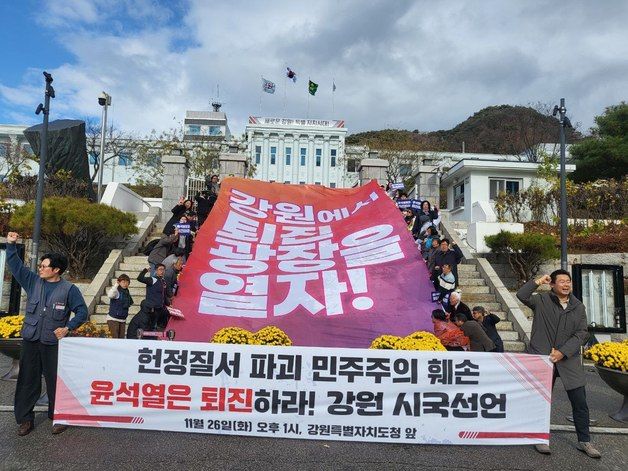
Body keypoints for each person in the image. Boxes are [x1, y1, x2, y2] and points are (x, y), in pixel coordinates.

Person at [5, 232, 88, 436]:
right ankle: (25, 419)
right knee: (27, 380)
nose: (40, 268)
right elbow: (16, 266)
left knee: (55, 381)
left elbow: (82, 311)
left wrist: (68, 327)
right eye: (40, 265)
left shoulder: (69, 289)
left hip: (53, 343)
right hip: (31, 340)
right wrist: (10, 244)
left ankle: (57, 416)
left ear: (56, 270)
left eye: (44, 266)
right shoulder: (33, 281)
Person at [517, 270, 601, 458]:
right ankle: (540, 438)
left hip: (568, 359)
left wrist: (563, 351)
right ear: (552, 284)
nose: (566, 284)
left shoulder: (578, 306)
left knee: (580, 402)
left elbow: (582, 333)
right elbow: (522, 295)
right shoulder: (541, 300)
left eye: (568, 281)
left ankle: (584, 441)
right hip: (543, 358)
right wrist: (537, 281)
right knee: (541, 401)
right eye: (561, 281)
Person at [137, 264, 172, 329]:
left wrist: (168, 304)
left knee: (161, 326)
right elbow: (140, 278)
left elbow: (164, 294)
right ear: (156, 270)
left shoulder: (163, 281)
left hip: (160, 308)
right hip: (152, 309)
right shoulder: (152, 279)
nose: (162, 271)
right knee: (150, 327)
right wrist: (145, 271)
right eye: (160, 269)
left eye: (163, 269)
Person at [106, 274, 134, 339]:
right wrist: (116, 285)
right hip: (113, 319)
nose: (125, 284)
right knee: (114, 339)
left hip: (122, 319)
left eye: (127, 282)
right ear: (119, 282)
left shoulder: (126, 292)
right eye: (123, 282)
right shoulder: (116, 291)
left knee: (121, 340)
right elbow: (110, 295)